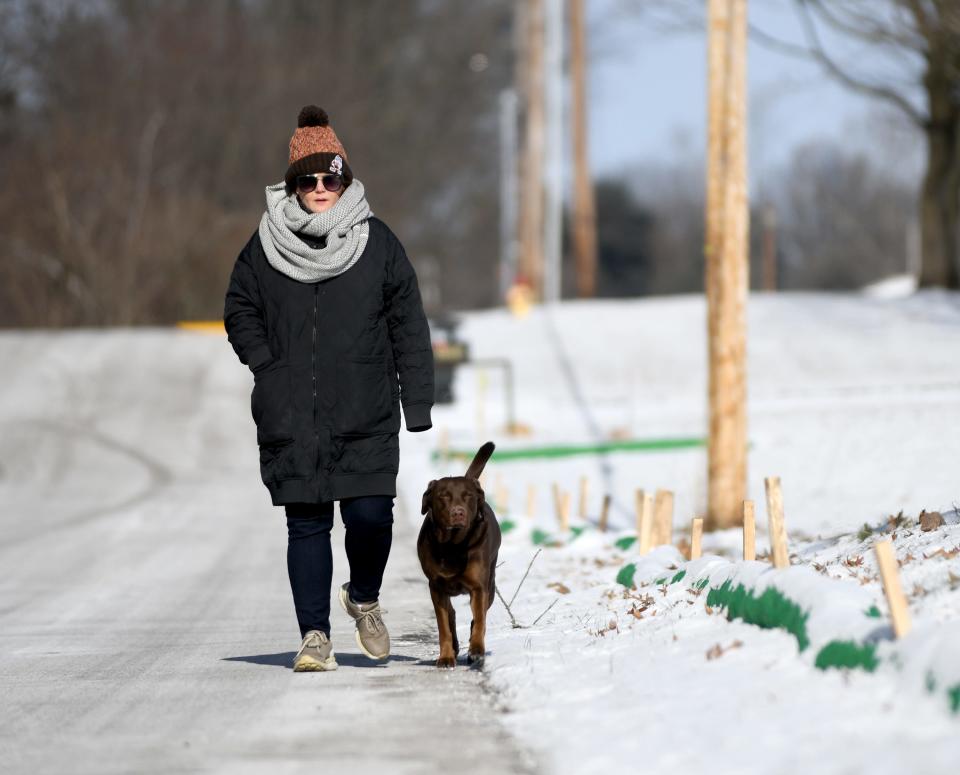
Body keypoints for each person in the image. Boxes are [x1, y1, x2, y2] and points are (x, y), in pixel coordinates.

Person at [224, 105, 434, 672]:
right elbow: (239, 307)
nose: (321, 189)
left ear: (346, 179)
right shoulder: (265, 247)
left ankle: (363, 598)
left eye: (331, 178)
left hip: (366, 409)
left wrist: (416, 402)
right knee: (307, 523)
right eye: (310, 180)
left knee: (371, 515)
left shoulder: (378, 244)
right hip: (292, 412)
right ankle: (314, 635)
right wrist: (269, 367)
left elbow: (408, 325)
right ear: (293, 185)